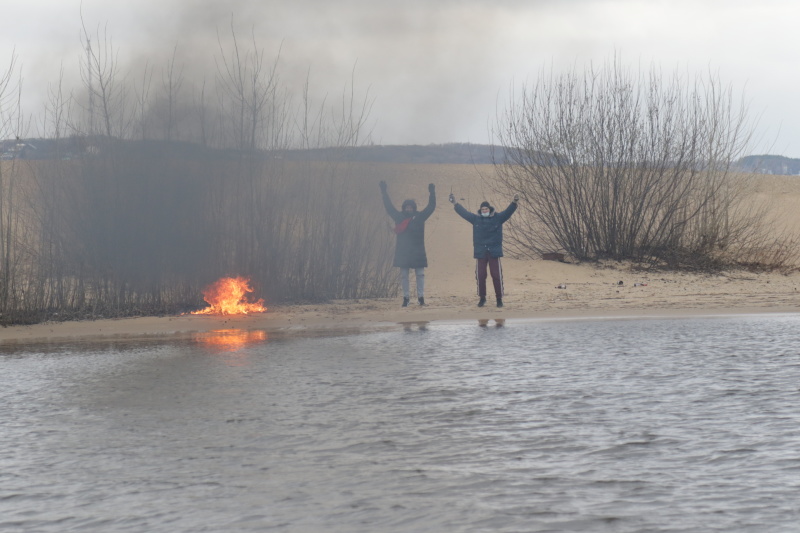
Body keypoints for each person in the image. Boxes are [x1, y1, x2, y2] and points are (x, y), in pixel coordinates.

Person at [450, 192, 519, 307]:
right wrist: (455, 203)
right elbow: (464, 213)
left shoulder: (498, 218)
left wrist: (514, 202)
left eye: (486, 209)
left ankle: (499, 299)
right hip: (480, 251)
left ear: (489, 209)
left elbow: (508, 212)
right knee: (480, 275)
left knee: (496, 275)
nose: (484, 211)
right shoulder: (475, 219)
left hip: (494, 251)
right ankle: (482, 298)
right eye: (482, 209)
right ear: (480, 210)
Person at [380, 181, 436, 307]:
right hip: (403, 251)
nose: (409, 209)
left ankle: (421, 298)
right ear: (404, 208)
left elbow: (431, 206)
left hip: (418, 250)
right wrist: (384, 192)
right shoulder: (399, 217)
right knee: (404, 276)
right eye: (407, 207)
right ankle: (406, 298)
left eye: (411, 207)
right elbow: (389, 207)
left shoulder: (420, 217)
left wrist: (432, 192)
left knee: (420, 275)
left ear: (414, 208)